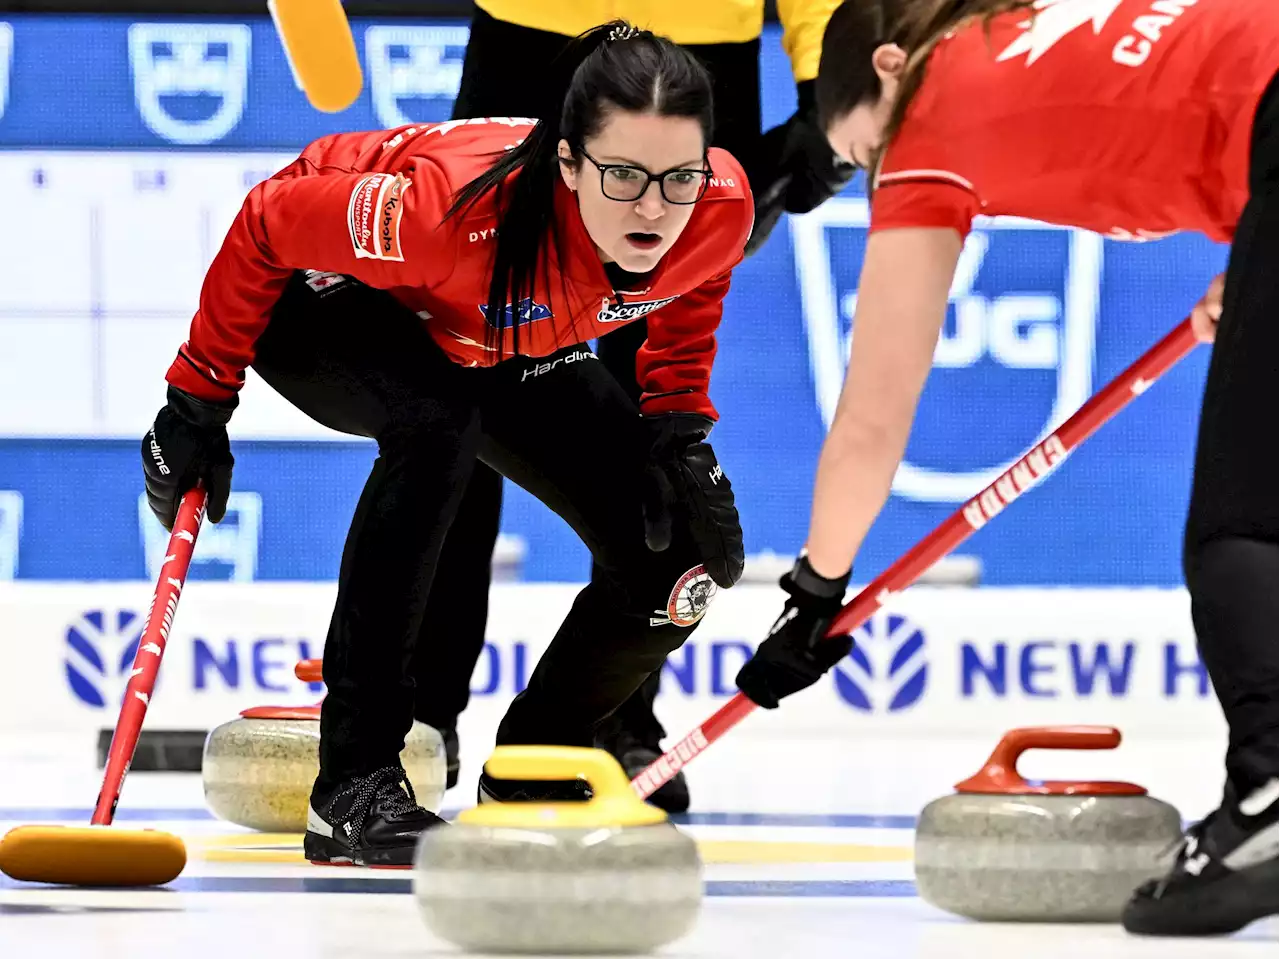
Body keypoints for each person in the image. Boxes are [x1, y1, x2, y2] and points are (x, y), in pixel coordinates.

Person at [729, 0, 1280, 938]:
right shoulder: (1018, 27)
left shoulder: (927, 122)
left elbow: (871, 415)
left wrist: (816, 588)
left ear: (892, 69)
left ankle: (1268, 804)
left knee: (1247, 525)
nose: (875, 178)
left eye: (862, 158)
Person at [140, 21, 750, 867]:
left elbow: (693, 281)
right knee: (436, 426)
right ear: (567, 164)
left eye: (677, 177)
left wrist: (678, 422)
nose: (653, 208)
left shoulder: (716, 207)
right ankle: (351, 786)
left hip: (492, 330)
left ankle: (538, 761)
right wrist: (196, 402)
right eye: (624, 176)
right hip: (332, 298)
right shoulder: (435, 216)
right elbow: (268, 223)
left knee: (677, 560)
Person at [417, 0, 855, 814]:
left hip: (704, 45)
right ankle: (419, 709)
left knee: (656, 404)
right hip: (529, 28)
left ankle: (613, 718)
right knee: (463, 358)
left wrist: (827, 79)